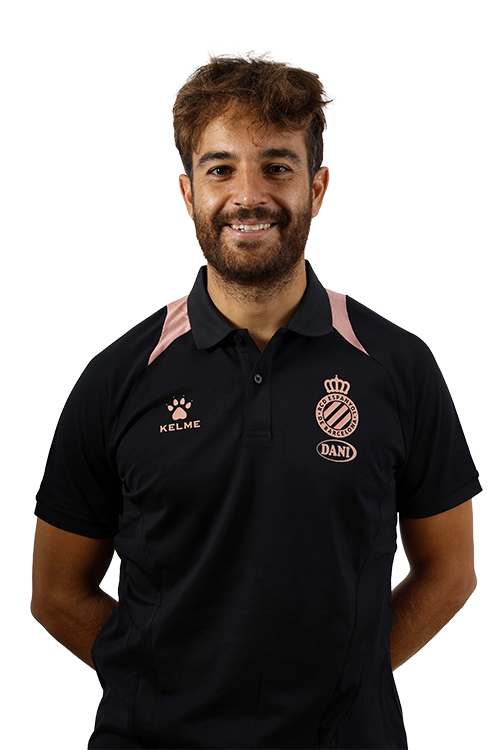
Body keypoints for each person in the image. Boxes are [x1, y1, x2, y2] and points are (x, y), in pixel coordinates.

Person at [32, 47, 481, 749]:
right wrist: (163, 688)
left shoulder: (399, 366)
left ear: (318, 188)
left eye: (277, 166)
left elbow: (451, 574)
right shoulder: (117, 376)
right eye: (220, 169)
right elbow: (56, 594)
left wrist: (342, 687)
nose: (249, 195)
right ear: (188, 193)